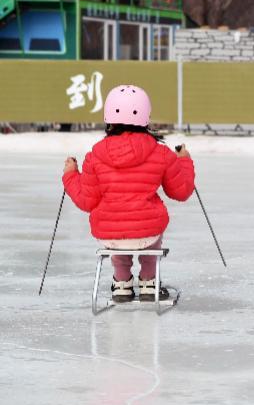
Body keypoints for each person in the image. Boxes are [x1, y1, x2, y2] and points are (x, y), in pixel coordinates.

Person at [62, 85, 195, 302]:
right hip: (148, 234)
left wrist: (70, 174)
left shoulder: (95, 156)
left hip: (110, 234)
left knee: (118, 228)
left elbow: (86, 200)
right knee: (147, 226)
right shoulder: (161, 153)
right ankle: (149, 281)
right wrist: (184, 161)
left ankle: (122, 283)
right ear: (145, 116)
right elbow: (181, 191)